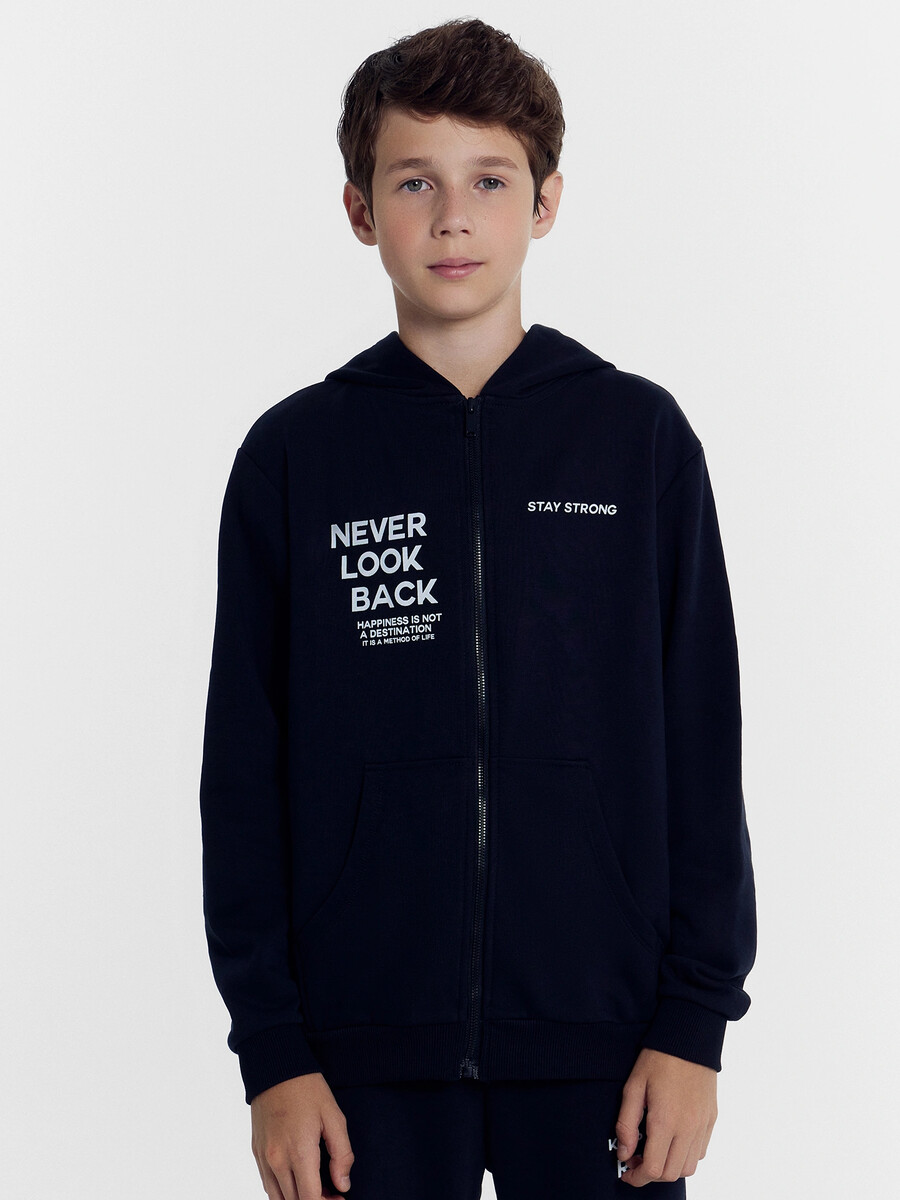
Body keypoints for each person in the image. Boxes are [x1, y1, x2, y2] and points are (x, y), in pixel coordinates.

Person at [198, 16, 757, 1199]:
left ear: (545, 203)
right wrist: (274, 1052)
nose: (453, 216)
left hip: (610, 1044)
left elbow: (703, 745)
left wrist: (694, 1026)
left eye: (490, 180)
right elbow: (243, 771)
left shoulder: (636, 441)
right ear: (360, 210)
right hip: (357, 1057)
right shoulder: (296, 458)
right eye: (415, 181)